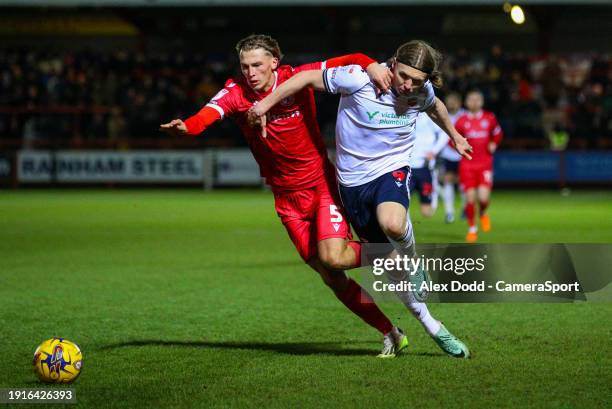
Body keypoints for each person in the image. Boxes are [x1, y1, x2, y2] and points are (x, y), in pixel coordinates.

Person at [160, 34, 406, 358]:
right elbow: (209, 112)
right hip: (285, 199)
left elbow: (351, 57)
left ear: (274, 62)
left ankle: (392, 254)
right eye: (245, 66)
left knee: (334, 256)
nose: (250, 72)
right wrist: (188, 127)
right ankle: (391, 332)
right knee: (331, 275)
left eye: (257, 65)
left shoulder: (295, 79)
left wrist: (372, 65)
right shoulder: (236, 92)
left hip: (320, 187)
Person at [250, 40, 473, 358]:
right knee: (386, 264)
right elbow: (303, 79)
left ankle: (413, 260)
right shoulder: (358, 78)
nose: (408, 85)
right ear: (393, 63)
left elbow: (434, 106)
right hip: (352, 185)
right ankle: (433, 327)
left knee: (393, 224)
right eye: (405, 76)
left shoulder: (420, 91)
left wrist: (454, 134)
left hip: (391, 170)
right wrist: (266, 103)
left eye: (417, 81)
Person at [454, 89, 503, 242]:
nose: (474, 102)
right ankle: (472, 229)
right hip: (467, 165)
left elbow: (498, 133)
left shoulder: (489, 118)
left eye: (477, 99)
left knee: (483, 198)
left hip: (485, 164)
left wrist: (494, 143)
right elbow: (452, 139)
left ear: (481, 101)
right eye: (471, 99)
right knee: (469, 199)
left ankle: (482, 213)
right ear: (466, 102)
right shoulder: (461, 121)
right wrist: (458, 148)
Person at [409, 113, 448, 217]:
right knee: (400, 204)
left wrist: (434, 151)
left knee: (426, 212)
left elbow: (444, 134)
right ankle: (404, 230)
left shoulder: (428, 116)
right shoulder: (402, 113)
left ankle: (445, 205)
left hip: (424, 166)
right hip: (405, 166)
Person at [437, 92, 466, 223]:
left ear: (459, 102)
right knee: (447, 180)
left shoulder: (464, 116)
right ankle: (449, 212)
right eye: (448, 101)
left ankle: (465, 209)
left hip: (462, 155)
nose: (451, 104)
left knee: (463, 182)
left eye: (453, 101)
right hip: (447, 154)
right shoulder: (442, 115)